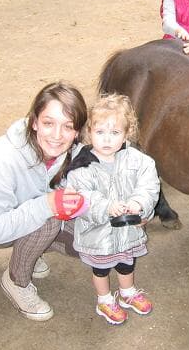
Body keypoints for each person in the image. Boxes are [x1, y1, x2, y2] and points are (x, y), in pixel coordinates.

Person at [0, 81, 89, 321]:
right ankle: (16, 280)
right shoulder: (2, 158)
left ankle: (30, 251)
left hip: (31, 209)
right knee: (49, 220)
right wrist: (47, 204)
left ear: (77, 131)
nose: (57, 136)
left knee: (92, 242)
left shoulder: (73, 151)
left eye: (68, 126)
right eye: (48, 123)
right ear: (34, 122)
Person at [66, 94, 160, 325]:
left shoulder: (139, 160)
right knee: (101, 268)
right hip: (97, 234)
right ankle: (104, 299)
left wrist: (139, 203)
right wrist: (107, 206)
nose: (107, 139)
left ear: (126, 134)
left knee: (126, 262)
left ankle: (128, 293)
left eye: (115, 132)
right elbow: (81, 196)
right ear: (89, 132)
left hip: (128, 231)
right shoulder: (82, 164)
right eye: (100, 132)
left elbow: (149, 185)